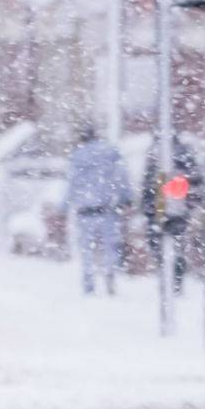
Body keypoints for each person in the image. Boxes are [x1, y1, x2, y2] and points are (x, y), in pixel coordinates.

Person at [65, 124, 132, 296]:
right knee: (110, 246)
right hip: (107, 210)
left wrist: (64, 206)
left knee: (86, 249)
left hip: (85, 211)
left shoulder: (77, 158)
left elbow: (71, 184)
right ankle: (110, 274)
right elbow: (121, 177)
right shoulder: (111, 153)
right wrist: (126, 198)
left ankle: (89, 282)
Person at [141, 137, 205, 295]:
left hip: (162, 206)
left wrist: (148, 207)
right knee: (177, 248)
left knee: (162, 246)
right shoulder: (183, 154)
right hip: (177, 207)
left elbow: (148, 183)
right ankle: (175, 282)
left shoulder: (155, 153)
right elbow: (195, 182)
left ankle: (169, 279)